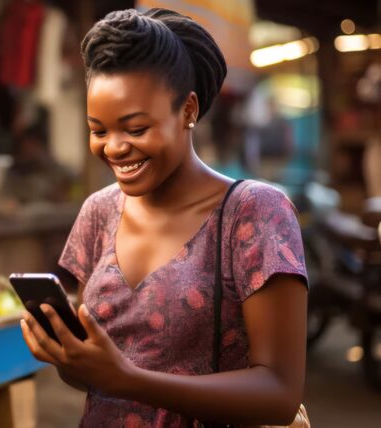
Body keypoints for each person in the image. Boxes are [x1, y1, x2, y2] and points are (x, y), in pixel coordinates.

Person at [19, 8, 308, 427]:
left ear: (188, 109)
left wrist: (128, 380)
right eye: (99, 130)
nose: (114, 148)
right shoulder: (98, 212)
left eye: (135, 129)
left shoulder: (253, 213)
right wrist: (67, 355)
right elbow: (97, 375)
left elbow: (279, 395)